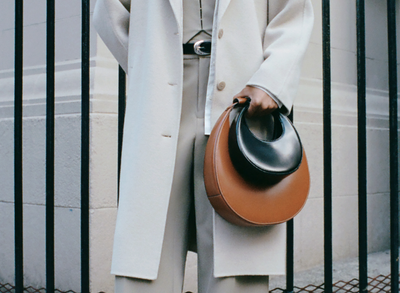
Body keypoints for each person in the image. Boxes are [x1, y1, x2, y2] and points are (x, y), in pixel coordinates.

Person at [93, 1, 314, 292]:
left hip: (241, 94)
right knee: (147, 249)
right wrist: (146, 63)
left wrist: (271, 80)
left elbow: (292, 13)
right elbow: (109, 11)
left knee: (236, 254)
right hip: (161, 91)